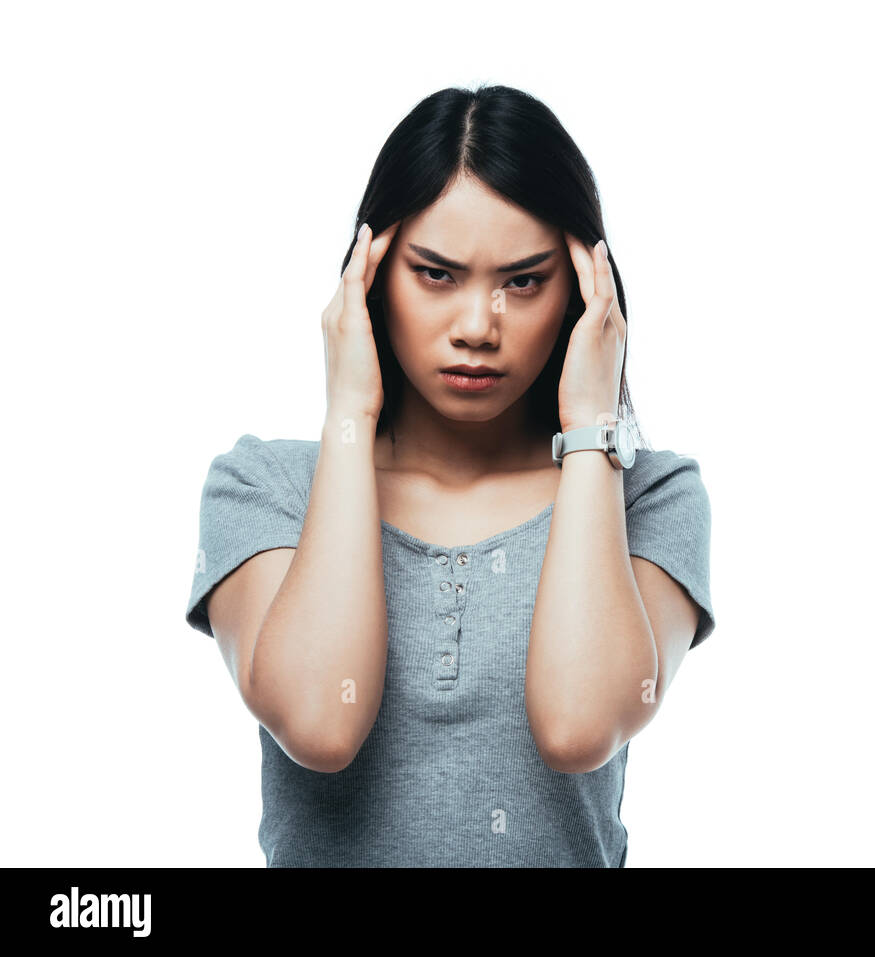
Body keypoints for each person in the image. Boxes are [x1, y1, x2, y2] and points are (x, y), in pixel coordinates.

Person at [184, 85, 716, 867]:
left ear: (581, 290)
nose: (477, 326)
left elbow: (578, 725)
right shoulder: (263, 489)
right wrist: (348, 414)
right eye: (436, 274)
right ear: (369, 278)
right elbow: (320, 726)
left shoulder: (648, 495)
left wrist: (591, 428)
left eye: (525, 281)